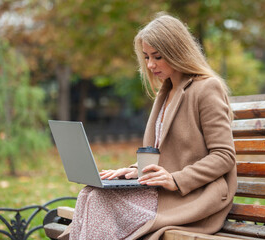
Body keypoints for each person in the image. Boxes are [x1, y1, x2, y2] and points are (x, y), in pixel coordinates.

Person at [67, 13, 237, 240]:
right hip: (161, 191)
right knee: (89, 193)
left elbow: (224, 156)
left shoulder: (206, 88)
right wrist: (136, 171)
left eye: (157, 56)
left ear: (177, 51)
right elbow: (163, 153)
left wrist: (176, 179)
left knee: (99, 201)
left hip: (193, 195)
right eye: (146, 57)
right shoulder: (166, 91)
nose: (150, 64)